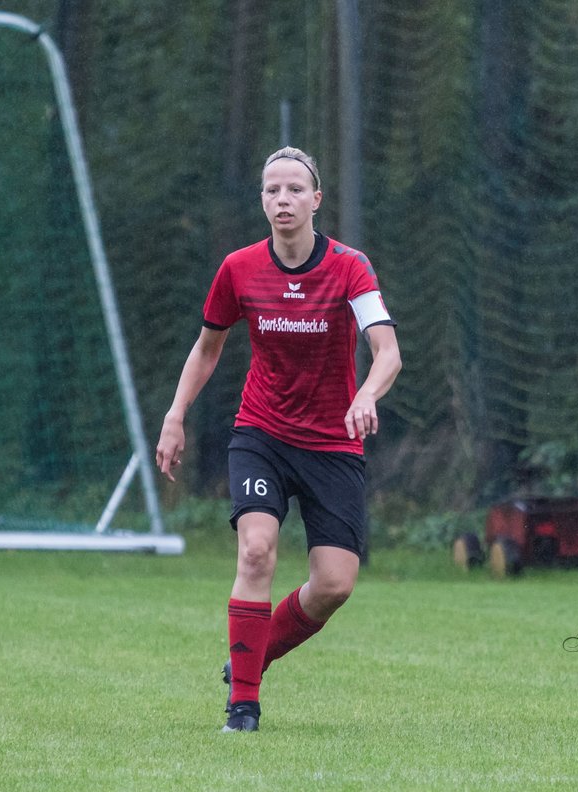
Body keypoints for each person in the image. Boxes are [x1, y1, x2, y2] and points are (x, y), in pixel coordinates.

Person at [155, 146, 401, 733]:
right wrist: (174, 414)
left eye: (295, 189)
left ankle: (249, 657)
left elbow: (386, 350)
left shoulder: (349, 267)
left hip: (332, 443)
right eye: (272, 190)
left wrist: (365, 395)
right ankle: (243, 707)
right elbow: (207, 347)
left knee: (335, 585)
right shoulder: (238, 268)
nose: (282, 199)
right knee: (257, 549)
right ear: (262, 200)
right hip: (261, 432)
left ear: (316, 200)